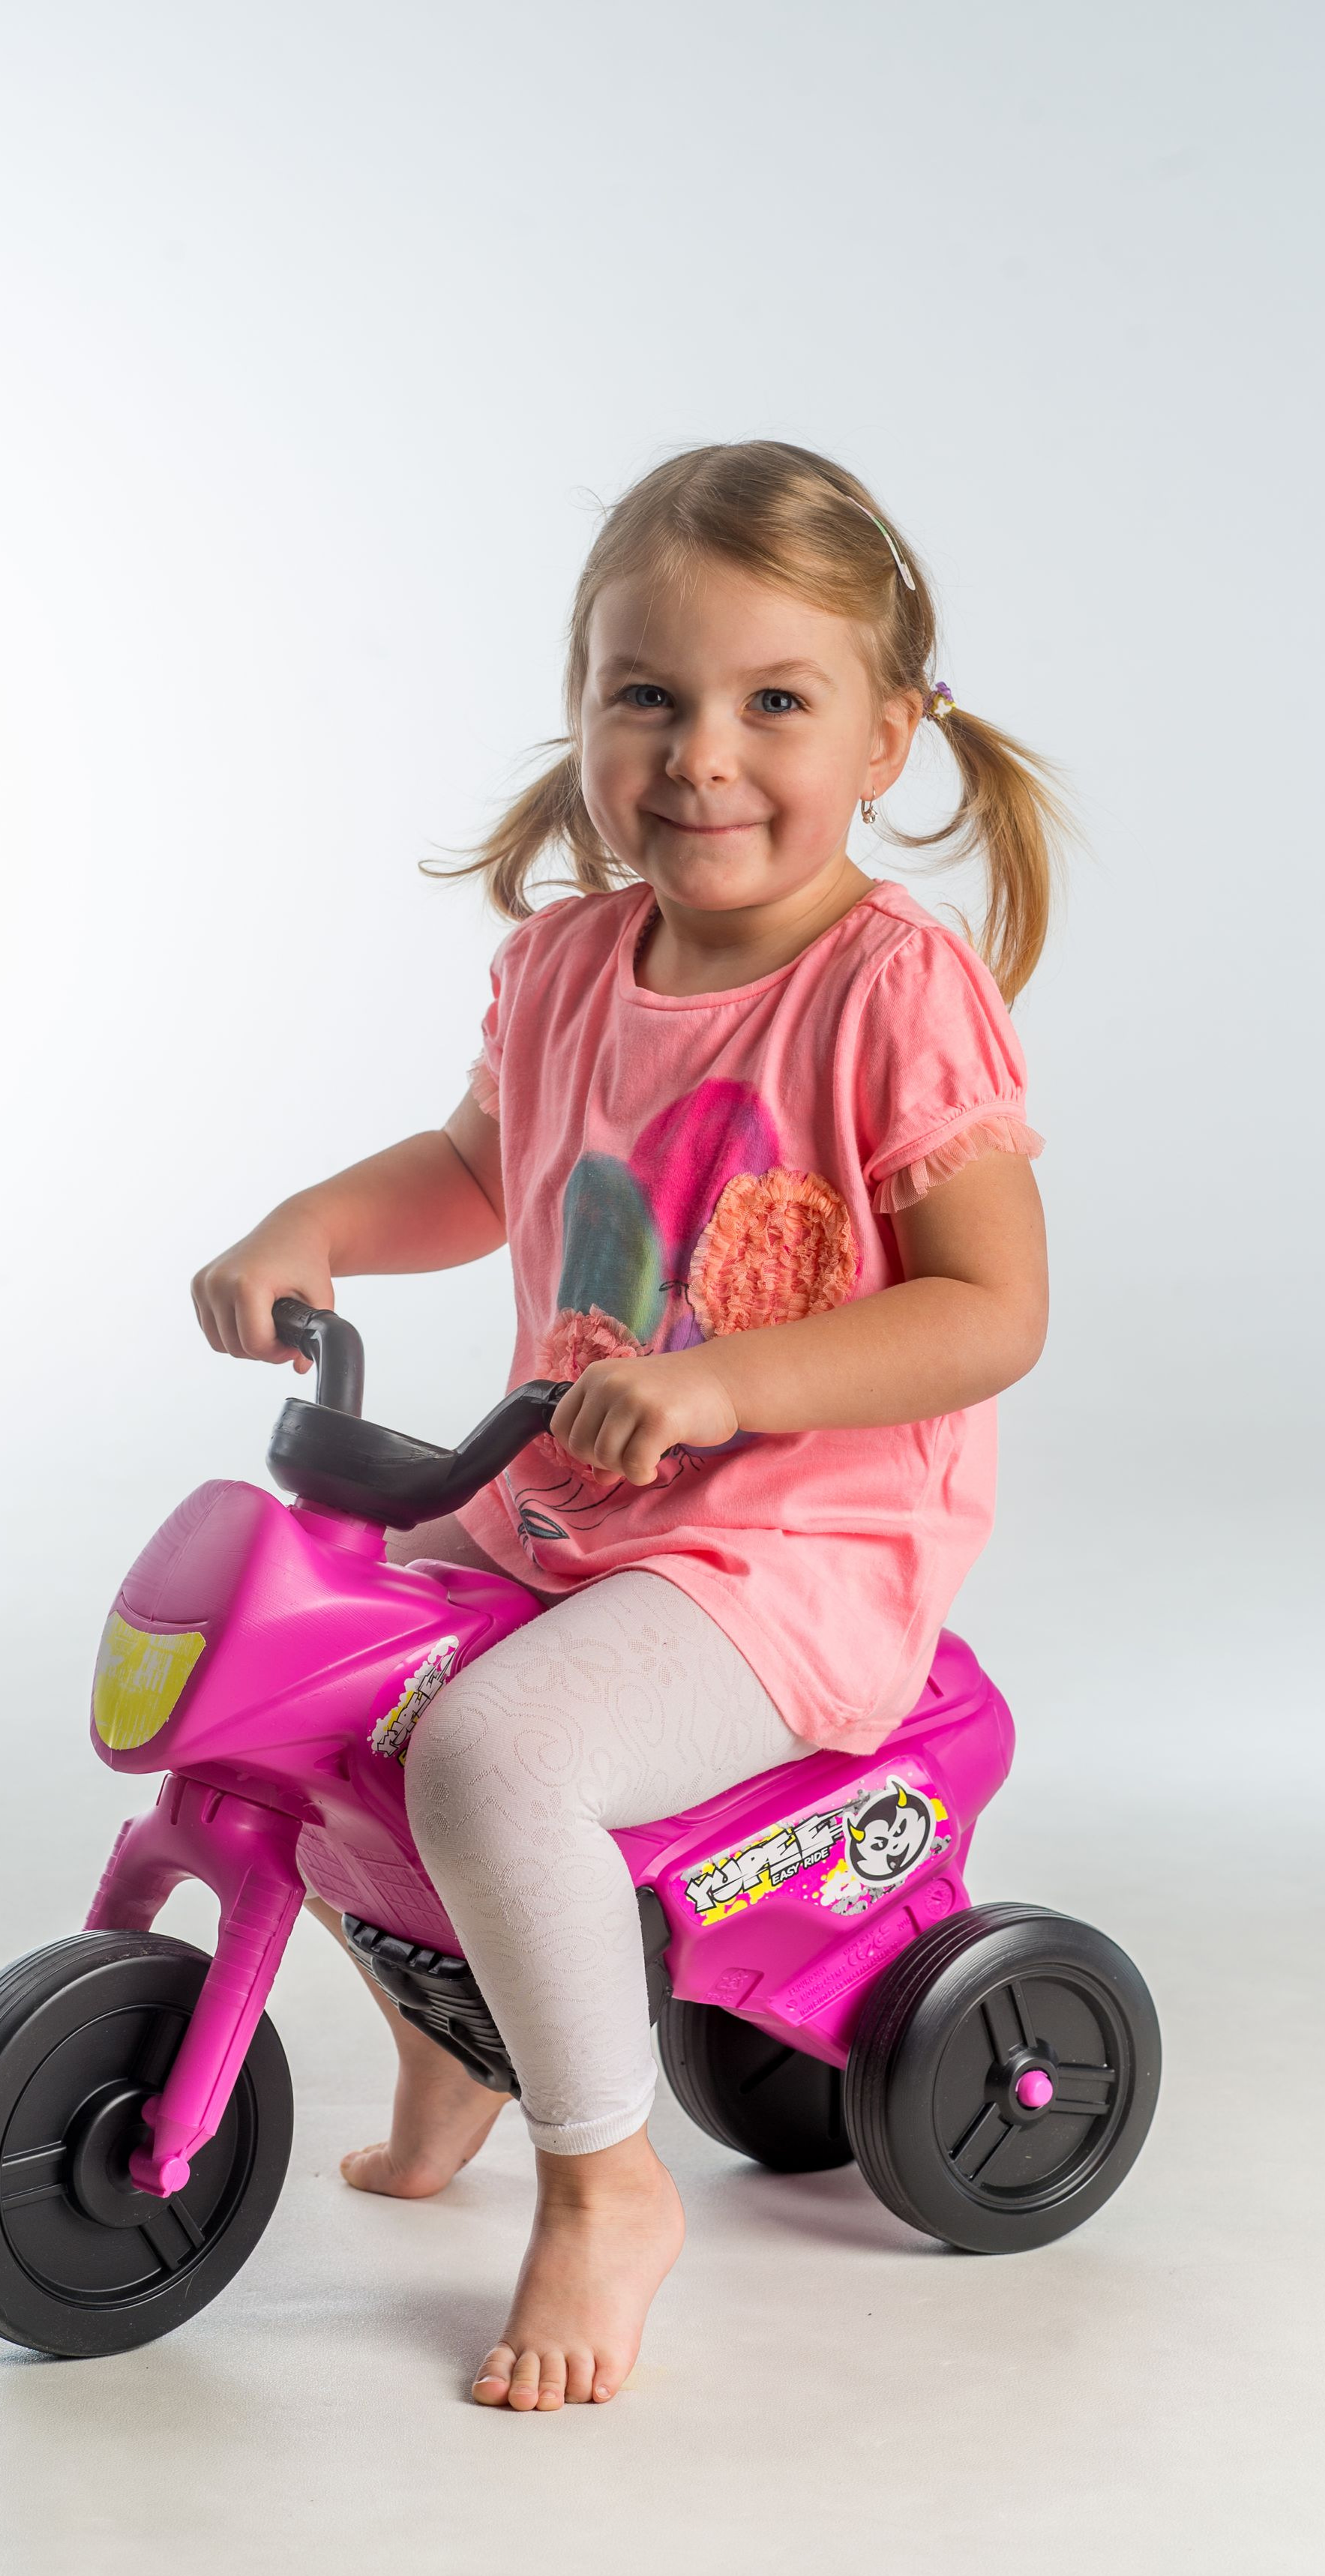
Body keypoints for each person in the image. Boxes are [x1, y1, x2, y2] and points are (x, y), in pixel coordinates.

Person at [192, 440, 1063, 2411]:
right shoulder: (570, 962)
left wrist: (722, 1380)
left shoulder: (891, 988)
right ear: (583, 708)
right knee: (318, 1678)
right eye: (648, 696)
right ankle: (469, 2035)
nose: (702, 756)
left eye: (776, 702)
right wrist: (311, 1226)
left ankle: (604, 2179)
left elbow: (988, 1307)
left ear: (886, 735)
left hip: (789, 1552)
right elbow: (472, 1169)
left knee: (492, 1752)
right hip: (566, 1502)